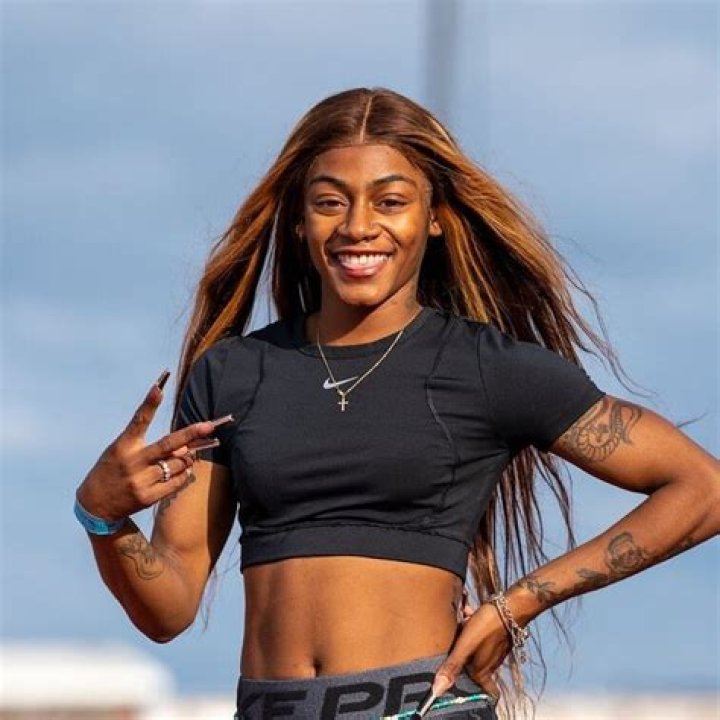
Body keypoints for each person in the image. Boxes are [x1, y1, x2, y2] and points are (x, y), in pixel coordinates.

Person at [74, 88, 719, 720]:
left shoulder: (485, 367)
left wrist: (519, 603)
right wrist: (104, 517)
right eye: (330, 202)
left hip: (422, 707)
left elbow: (703, 489)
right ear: (299, 220)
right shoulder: (233, 374)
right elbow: (169, 608)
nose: (359, 226)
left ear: (433, 217)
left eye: (390, 201)